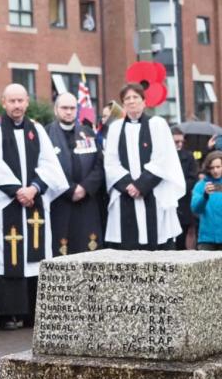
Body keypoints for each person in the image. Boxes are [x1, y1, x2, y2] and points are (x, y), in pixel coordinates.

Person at [0, 84, 68, 330]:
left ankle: (32, 313)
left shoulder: (37, 130)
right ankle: (8, 314)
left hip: (33, 204)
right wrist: (16, 191)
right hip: (6, 203)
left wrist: (35, 188)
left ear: (27, 101)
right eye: (12, 101)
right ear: (3, 102)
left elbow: (50, 164)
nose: (17, 106)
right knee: (6, 255)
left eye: (21, 101)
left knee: (34, 257)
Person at [104, 83, 185, 249]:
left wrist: (141, 185)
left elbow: (163, 158)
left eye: (136, 97)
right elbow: (111, 161)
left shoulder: (158, 124)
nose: (132, 101)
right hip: (125, 195)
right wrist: (129, 185)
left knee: (158, 243)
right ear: (123, 104)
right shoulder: (115, 128)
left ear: (144, 102)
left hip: (154, 193)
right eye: (127, 98)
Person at [46, 92, 105, 256]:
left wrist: (84, 188)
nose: (68, 112)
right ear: (56, 109)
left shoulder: (88, 133)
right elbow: (46, 167)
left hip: (87, 203)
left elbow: (99, 165)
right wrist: (70, 189)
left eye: (72, 108)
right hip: (60, 202)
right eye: (64, 108)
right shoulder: (46, 134)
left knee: (89, 252)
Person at [171, 127, 198, 250]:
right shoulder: (163, 156)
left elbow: (192, 178)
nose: (180, 144)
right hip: (168, 201)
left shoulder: (188, 156)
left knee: (182, 236)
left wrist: (179, 189)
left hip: (183, 201)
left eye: (182, 141)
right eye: (176, 141)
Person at [191, 151, 222, 250]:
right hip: (206, 239)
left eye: (218, 167)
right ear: (207, 168)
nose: (215, 171)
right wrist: (204, 196)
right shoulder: (201, 185)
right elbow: (195, 209)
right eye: (212, 168)